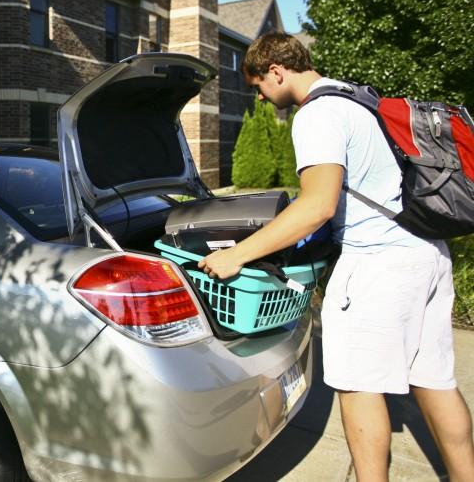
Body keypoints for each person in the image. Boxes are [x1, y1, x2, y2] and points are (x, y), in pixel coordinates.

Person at [199, 32, 474, 481]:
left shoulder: (318, 115)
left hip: (378, 266)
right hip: (425, 253)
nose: (262, 98)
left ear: (276, 71)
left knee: (359, 388)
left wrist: (238, 255)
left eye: (259, 86)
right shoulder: (356, 98)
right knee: (435, 380)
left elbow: (318, 204)